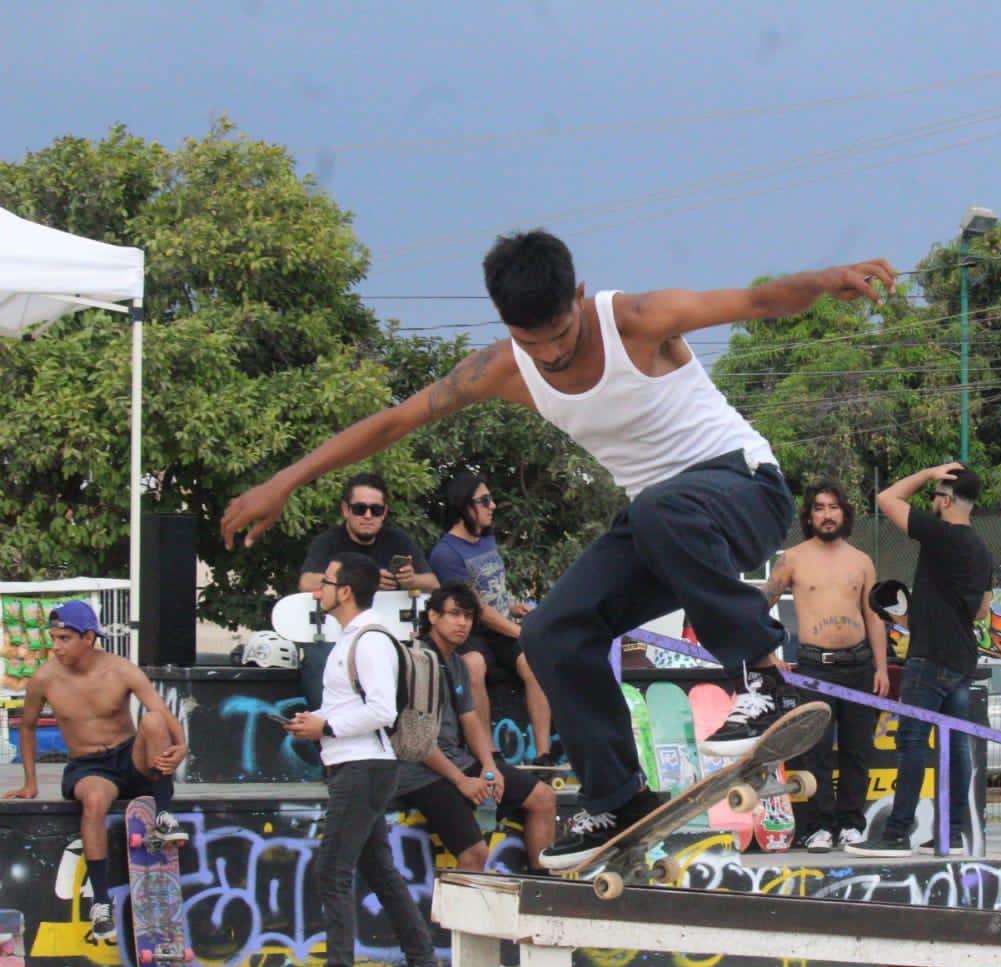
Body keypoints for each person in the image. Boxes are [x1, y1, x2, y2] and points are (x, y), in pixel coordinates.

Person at [224, 229, 895, 869]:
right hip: (663, 526)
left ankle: (761, 678)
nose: (550, 357)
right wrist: (284, 481)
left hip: (742, 492)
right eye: (531, 343)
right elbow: (396, 420)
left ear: (579, 296)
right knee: (550, 632)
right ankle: (618, 797)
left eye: (560, 337)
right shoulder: (498, 368)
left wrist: (826, 279)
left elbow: (755, 300)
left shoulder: (633, 320)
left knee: (657, 504)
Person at [281, 554, 446, 967]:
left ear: (346, 590)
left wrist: (324, 726)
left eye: (326, 583)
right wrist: (318, 725)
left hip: (363, 767)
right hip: (357, 766)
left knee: (331, 870)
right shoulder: (354, 637)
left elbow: (381, 712)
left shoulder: (370, 641)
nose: (319, 591)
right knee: (379, 872)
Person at [1, 602, 189, 944]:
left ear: (88, 637)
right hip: (89, 766)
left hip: (130, 758)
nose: (56, 646)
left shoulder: (121, 670)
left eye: (64, 638)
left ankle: (164, 815)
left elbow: (160, 710)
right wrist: (29, 782)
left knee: (153, 721)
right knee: (94, 800)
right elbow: (26, 727)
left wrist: (182, 747)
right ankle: (101, 904)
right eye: (53, 638)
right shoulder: (44, 677)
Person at [847, 464, 992, 858]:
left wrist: (929, 473)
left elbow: (886, 499)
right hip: (960, 659)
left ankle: (896, 833)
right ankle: (953, 831)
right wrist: (903, 617)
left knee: (912, 742)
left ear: (945, 500)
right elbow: (980, 611)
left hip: (928, 660)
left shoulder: (940, 534)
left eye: (936, 496)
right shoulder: (980, 549)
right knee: (956, 746)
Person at [394, 582, 558, 873]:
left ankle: (541, 891)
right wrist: (461, 780)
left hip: (456, 761)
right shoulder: (417, 662)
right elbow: (416, 742)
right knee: (475, 854)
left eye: (468, 617)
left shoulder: (456, 663)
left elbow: (470, 719)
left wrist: (488, 767)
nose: (462, 623)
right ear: (432, 616)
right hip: (420, 771)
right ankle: (458, 920)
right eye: (454, 614)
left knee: (543, 797)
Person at [762, 481, 889, 853]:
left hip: (859, 666)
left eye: (834, 507)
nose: (827, 514)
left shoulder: (861, 560)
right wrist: (770, 654)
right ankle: (819, 826)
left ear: (844, 513)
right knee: (815, 750)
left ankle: (851, 823)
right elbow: (760, 605)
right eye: (819, 507)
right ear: (810, 514)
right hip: (814, 667)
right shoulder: (793, 558)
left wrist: (881, 667)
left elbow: (874, 615)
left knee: (856, 750)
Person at [429, 470, 557, 765]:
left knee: (534, 662)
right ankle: (490, 755)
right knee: (473, 668)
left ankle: (543, 754)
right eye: (484, 500)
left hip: (499, 626)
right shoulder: (446, 553)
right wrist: (519, 632)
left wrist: (512, 607)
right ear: (464, 506)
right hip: (470, 629)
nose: (493, 505)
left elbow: (490, 590)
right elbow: (475, 607)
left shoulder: (487, 541)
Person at [298, 472, 438, 594]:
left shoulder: (398, 540)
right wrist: (365, 580)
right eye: (360, 508)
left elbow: (433, 584)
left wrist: (412, 580)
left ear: (384, 512)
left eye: (376, 509)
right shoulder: (328, 541)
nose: (368, 515)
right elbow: (306, 583)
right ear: (346, 510)